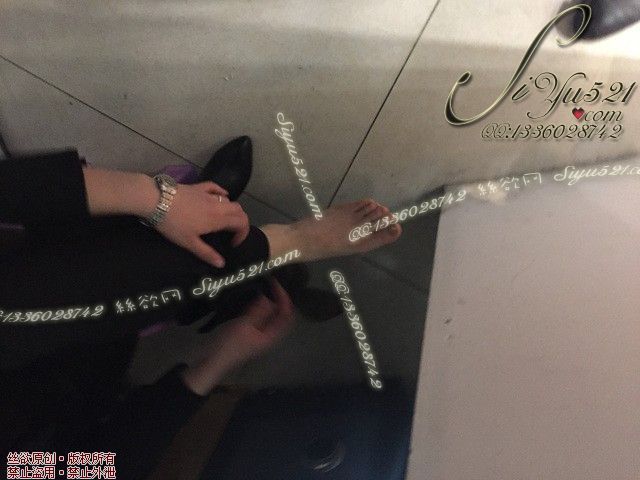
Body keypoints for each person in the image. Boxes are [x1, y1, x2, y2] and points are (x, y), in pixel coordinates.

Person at [0, 145, 401, 477]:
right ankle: (222, 249)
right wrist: (213, 366)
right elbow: (99, 466)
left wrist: (152, 198)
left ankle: (269, 244)